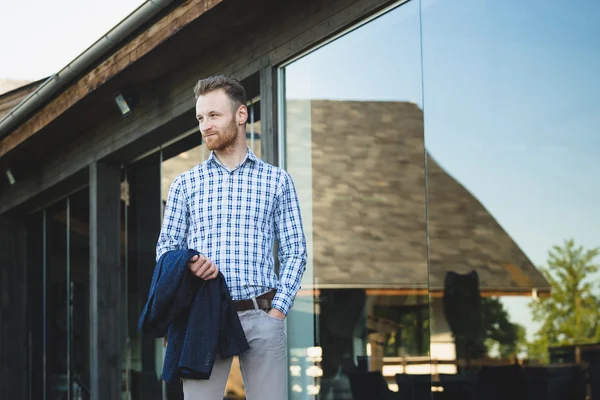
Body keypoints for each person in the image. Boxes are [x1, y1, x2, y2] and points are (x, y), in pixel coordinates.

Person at [156, 74, 308, 399]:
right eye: (200, 117)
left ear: (240, 115)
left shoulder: (277, 181)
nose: (204, 126)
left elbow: (296, 251)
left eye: (213, 115)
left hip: (262, 314)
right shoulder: (185, 184)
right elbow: (166, 249)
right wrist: (189, 264)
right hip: (204, 318)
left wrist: (278, 311)